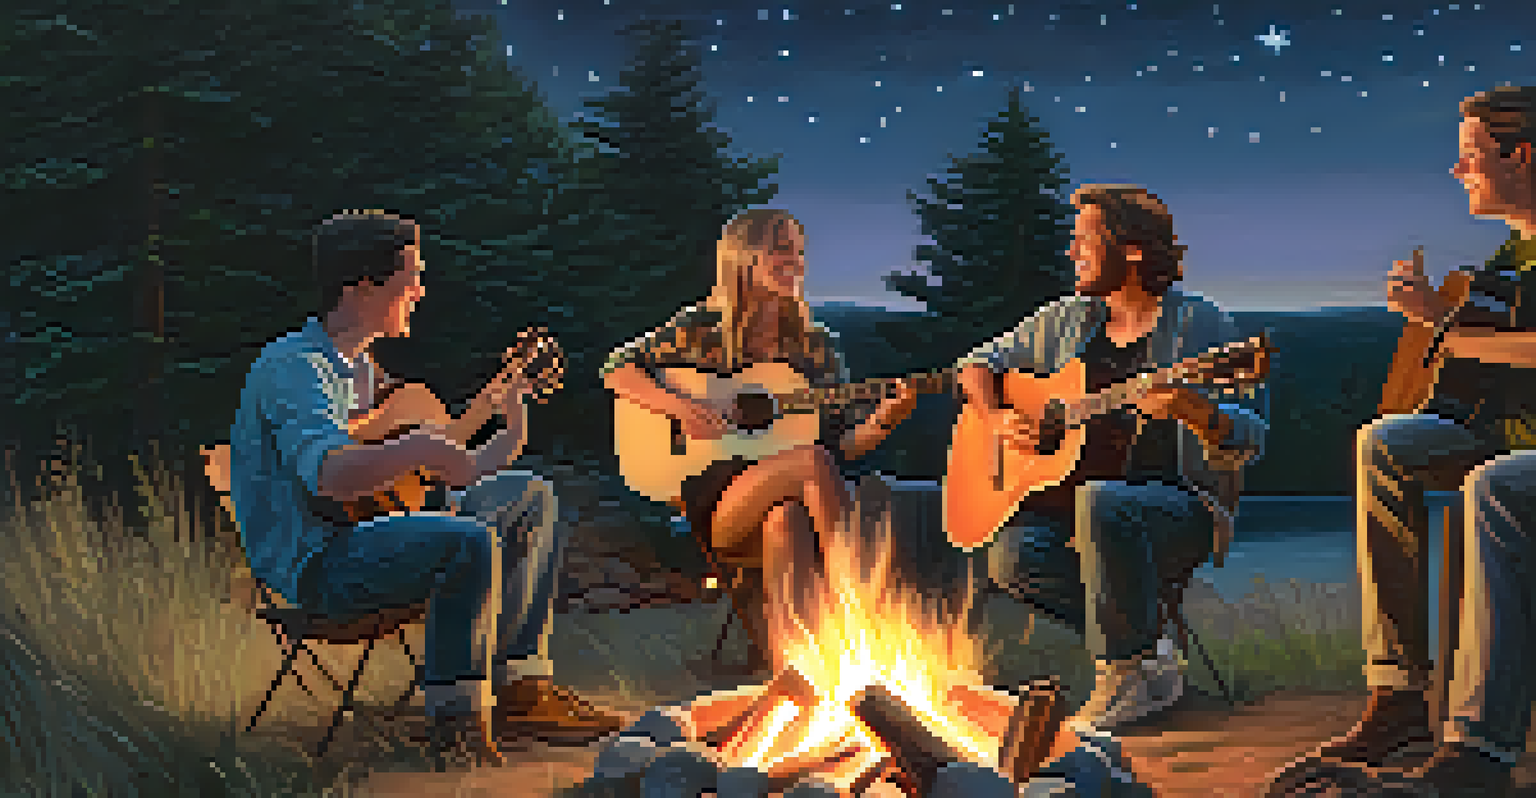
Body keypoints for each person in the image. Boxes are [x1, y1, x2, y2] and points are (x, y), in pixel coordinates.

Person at [230, 210, 622, 767]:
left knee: (528, 497)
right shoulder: (296, 367)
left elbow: (455, 469)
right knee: (465, 542)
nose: (419, 289)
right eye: (409, 274)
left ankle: (519, 688)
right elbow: (328, 475)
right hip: (317, 562)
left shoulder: (362, 370)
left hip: (367, 533)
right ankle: (455, 725)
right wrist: (415, 451)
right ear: (364, 284)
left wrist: (511, 425)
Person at [1274, 85, 1536, 797]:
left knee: (1499, 484)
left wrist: (1449, 327)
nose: (1459, 172)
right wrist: (1437, 315)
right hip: (1512, 435)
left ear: (1523, 155)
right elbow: (1488, 340)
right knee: (1385, 443)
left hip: (1521, 458)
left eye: (1471, 156)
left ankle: (1479, 751)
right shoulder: (1515, 252)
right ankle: (1398, 698)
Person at [954, 184, 1269, 732]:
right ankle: (1149, 653)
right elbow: (978, 362)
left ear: (1132, 250)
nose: (1071, 252)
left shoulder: (1201, 327)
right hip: (1078, 510)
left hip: (1180, 509)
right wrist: (998, 416)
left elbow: (1253, 434)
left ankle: (1126, 671)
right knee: (1010, 556)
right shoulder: (1066, 322)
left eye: (1084, 240)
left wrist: (1199, 413)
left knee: (1103, 499)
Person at [601, 208, 916, 672]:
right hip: (712, 498)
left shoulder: (815, 347)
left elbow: (842, 449)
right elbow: (617, 371)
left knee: (786, 518)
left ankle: (801, 669)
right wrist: (685, 408)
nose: (797, 262)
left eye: (801, 253)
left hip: (787, 495)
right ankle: (866, 612)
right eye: (782, 250)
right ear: (743, 258)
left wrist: (885, 421)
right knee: (807, 463)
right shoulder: (700, 330)